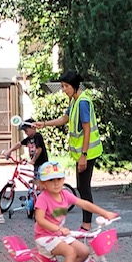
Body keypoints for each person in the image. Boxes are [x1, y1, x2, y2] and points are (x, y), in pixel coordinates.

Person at [34, 161, 117, 262]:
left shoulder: (65, 195)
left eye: (59, 179)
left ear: (64, 180)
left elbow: (84, 203)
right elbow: (40, 220)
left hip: (60, 235)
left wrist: (104, 213)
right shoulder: (43, 199)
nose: (56, 183)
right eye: (51, 180)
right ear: (43, 184)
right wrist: (58, 229)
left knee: (84, 252)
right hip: (45, 237)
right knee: (70, 252)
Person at [35, 70, 103, 231]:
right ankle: (86, 223)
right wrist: (44, 124)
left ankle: (87, 225)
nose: (63, 89)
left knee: (84, 188)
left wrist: (83, 156)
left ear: (74, 86)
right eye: (62, 86)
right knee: (82, 187)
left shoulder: (83, 102)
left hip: (88, 152)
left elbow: (86, 130)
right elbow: (64, 119)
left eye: (65, 86)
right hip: (82, 153)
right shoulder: (74, 100)